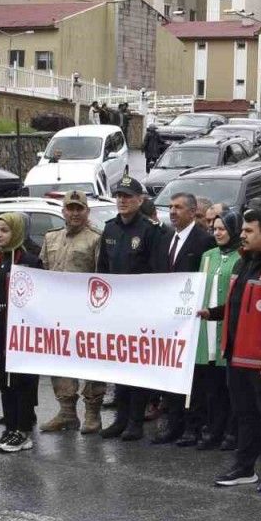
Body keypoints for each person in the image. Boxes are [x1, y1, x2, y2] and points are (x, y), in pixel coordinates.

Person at [203, 209, 261, 493]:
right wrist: (212, 313)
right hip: (237, 356)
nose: (241, 235)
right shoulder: (243, 264)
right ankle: (245, 468)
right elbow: (237, 305)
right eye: (242, 231)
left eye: (248, 231)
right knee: (244, 414)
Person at [97, 175, 167, 441]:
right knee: (118, 366)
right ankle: (121, 418)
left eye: (128, 197)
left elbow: (158, 272)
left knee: (138, 367)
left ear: (140, 200)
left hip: (141, 310)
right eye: (119, 196)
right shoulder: (110, 229)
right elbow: (102, 269)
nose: (122, 201)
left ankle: (136, 421)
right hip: (116, 310)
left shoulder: (151, 231)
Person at [37, 191, 104, 435]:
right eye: (70, 208)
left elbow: (101, 276)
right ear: (63, 211)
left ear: (87, 211)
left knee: (91, 361)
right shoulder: (51, 238)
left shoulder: (96, 239)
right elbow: (43, 270)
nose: (75, 213)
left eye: (80, 209)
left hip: (87, 313)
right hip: (57, 313)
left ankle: (92, 413)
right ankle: (66, 412)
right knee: (60, 360)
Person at [155, 192, 218, 446]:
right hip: (169, 318)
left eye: (178, 207)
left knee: (194, 377)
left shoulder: (204, 241)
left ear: (193, 212)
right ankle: (174, 423)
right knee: (171, 372)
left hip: (192, 317)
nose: (172, 211)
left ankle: (194, 425)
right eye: (170, 207)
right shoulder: (167, 238)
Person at [0, 212, 44, 453]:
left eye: (4, 231)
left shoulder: (28, 260)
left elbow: (39, 298)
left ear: (16, 232)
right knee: (3, 381)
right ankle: (10, 426)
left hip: (20, 330)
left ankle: (23, 430)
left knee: (20, 381)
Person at [193, 210, 241, 451]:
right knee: (211, 387)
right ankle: (213, 429)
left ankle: (232, 432)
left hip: (227, 329)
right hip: (207, 331)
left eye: (223, 228)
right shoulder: (208, 256)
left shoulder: (242, 256)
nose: (218, 232)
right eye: (215, 228)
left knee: (230, 388)